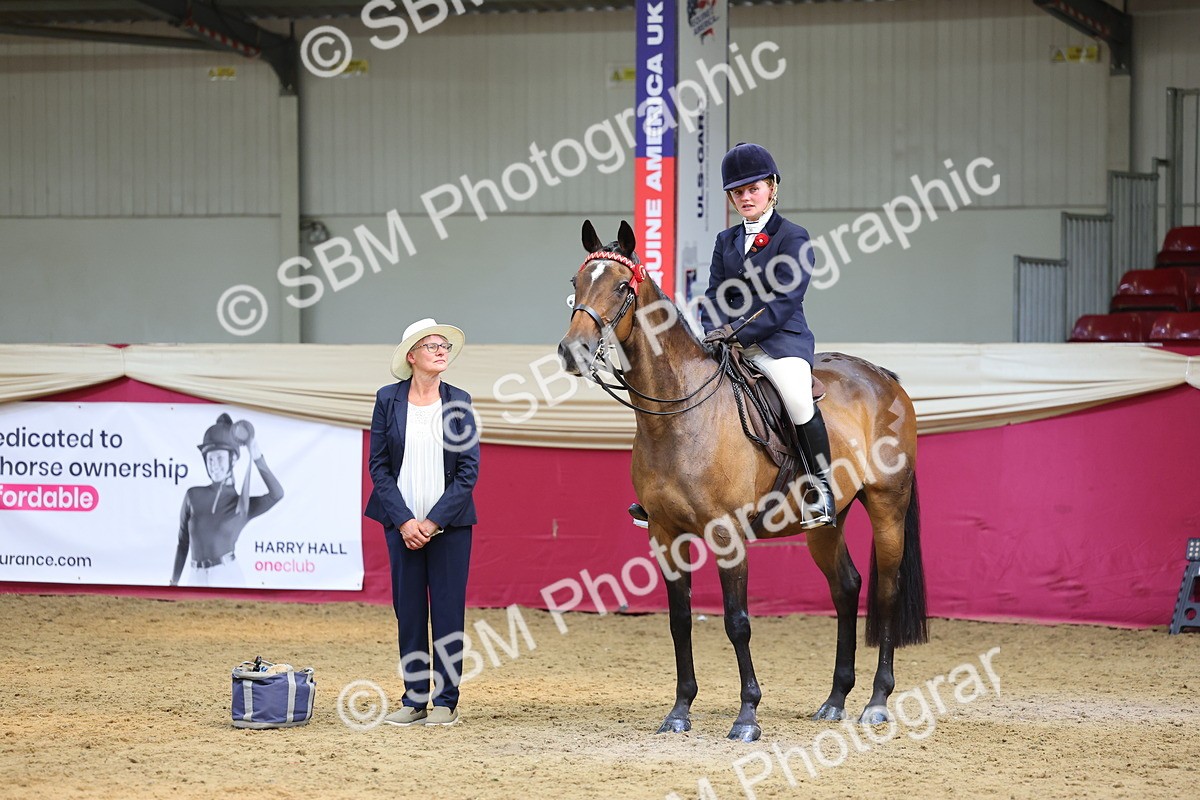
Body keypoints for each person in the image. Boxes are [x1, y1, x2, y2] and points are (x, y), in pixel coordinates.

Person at [698, 141, 836, 528]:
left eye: (752, 189)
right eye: (738, 192)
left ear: (772, 187)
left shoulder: (792, 236)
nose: (745, 198)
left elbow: (785, 300)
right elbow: (713, 294)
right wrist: (714, 330)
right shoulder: (725, 241)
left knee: (795, 396)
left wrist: (738, 333)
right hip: (727, 343)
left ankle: (821, 488)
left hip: (779, 341)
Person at [365, 317, 480, 728]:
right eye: (432, 346)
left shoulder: (459, 400)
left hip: (449, 528)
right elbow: (378, 467)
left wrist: (430, 523)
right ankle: (415, 699)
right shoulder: (387, 399)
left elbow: (469, 470)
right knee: (410, 613)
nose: (442, 351)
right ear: (411, 356)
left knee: (448, 614)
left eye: (444, 346)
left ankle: (446, 700)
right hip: (401, 527)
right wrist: (404, 522)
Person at [170, 413, 285, 586]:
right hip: (195, 577)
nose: (214, 464)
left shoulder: (242, 504)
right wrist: (173, 584)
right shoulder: (192, 496)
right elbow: (182, 543)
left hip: (226, 576)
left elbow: (277, 494)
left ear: (232, 460)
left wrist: (256, 455)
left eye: (220, 458)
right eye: (210, 458)